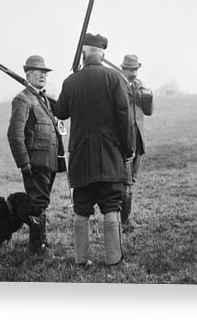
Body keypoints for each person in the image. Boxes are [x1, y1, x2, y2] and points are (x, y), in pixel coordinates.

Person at [55, 33, 133, 266]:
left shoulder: (71, 81)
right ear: (102, 55)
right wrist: (128, 150)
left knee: (81, 209)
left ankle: (80, 260)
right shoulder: (115, 77)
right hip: (110, 156)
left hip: (80, 158)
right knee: (111, 206)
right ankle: (113, 259)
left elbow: (60, 112)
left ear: (83, 55)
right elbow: (124, 119)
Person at [7, 55, 64, 257]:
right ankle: (38, 249)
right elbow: (14, 134)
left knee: (41, 203)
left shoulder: (44, 100)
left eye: (44, 72)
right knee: (38, 203)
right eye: (37, 72)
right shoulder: (22, 99)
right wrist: (23, 162)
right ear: (27, 75)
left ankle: (39, 244)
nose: (42, 75)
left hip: (49, 162)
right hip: (34, 164)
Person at [119, 54, 154, 232]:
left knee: (131, 180)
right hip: (125, 140)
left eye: (135, 69)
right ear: (123, 69)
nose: (133, 72)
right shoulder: (119, 85)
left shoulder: (139, 86)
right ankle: (124, 221)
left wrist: (147, 95)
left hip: (138, 139)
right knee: (125, 181)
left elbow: (148, 111)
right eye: (130, 69)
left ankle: (127, 218)